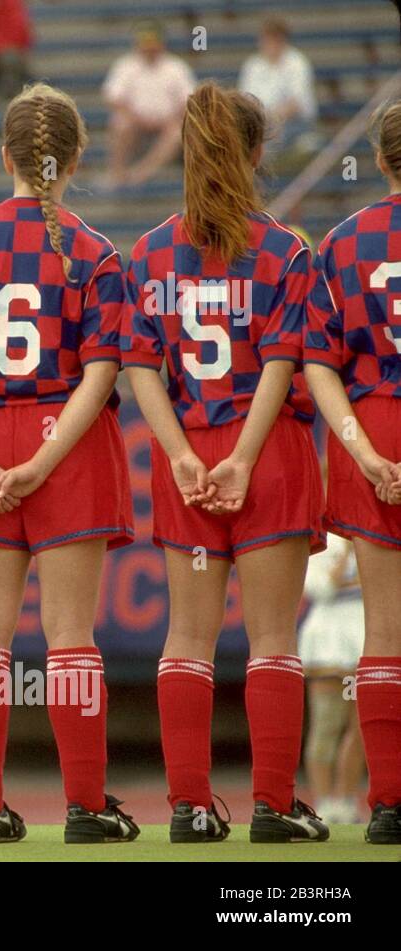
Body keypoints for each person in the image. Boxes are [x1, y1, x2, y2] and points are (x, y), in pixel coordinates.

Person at [0, 82, 138, 846]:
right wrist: (46, 460)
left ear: (4, 155)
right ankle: (87, 804)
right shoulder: (95, 251)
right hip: (68, 446)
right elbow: (102, 371)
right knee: (70, 635)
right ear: (74, 158)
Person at [123, 83, 329, 844]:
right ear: (254, 153)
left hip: (189, 457)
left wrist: (179, 454)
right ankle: (274, 804)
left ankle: (189, 805)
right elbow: (282, 361)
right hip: (264, 453)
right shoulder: (284, 249)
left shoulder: (148, 252)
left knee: (188, 636)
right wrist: (243, 456)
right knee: (274, 638)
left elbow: (138, 365)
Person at [303, 98, 401, 844]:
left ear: (379, 161)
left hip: (369, 430)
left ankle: (388, 802)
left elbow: (319, 365)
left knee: (385, 632)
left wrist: (364, 451)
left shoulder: (341, 242)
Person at [297, 533, 367, 824]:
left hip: (363, 635)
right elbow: (320, 589)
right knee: (326, 726)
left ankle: (347, 798)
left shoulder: (369, 537)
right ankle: (324, 801)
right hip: (327, 641)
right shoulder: (320, 540)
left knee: (360, 728)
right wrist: (344, 556)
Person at [102, 21, 196, 190]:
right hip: (135, 121)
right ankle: (117, 172)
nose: (149, 48)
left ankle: (142, 173)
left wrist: (170, 119)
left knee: (177, 131)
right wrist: (138, 119)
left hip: (167, 123)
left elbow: (187, 101)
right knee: (121, 123)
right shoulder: (125, 65)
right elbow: (114, 99)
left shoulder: (176, 67)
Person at [238, 18, 318, 169]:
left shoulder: (296, 62)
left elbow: (295, 103)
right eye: (266, 39)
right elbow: (245, 102)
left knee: (273, 137)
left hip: (294, 124)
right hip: (262, 123)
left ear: (282, 40)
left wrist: (272, 119)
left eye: (274, 39)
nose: (269, 44)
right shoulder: (252, 65)